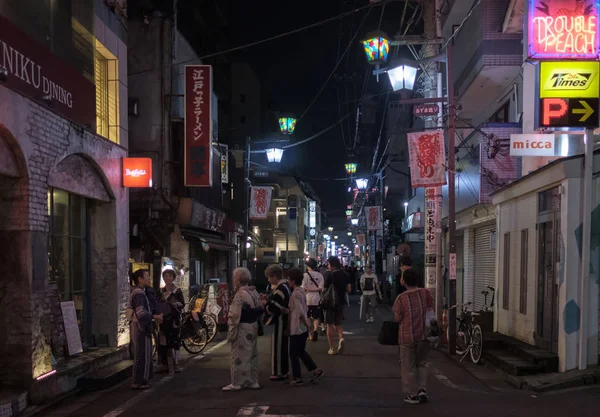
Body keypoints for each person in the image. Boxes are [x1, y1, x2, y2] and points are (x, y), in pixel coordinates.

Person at [393, 269, 433, 404]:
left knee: (408, 366)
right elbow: (430, 308)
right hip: (423, 334)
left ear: (403, 281)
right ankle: (422, 389)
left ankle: (412, 394)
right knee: (422, 363)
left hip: (406, 336)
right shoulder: (425, 293)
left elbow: (397, 318)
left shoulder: (401, 298)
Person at [223, 268, 263, 391]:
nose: (234, 280)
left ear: (239, 280)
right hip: (253, 325)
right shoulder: (254, 292)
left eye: (235, 278)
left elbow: (234, 315)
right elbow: (260, 308)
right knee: (252, 354)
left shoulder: (240, 294)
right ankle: (253, 381)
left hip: (242, 327)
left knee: (239, 356)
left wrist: (231, 329)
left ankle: (237, 382)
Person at [285, 268, 325, 386]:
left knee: (293, 353)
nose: (288, 281)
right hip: (302, 328)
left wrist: (308, 325)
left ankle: (297, 378)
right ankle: (315, 370)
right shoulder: (302, 291)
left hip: (297, 327)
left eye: (288, 279)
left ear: (292, 281)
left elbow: (301, 311)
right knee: (300, 351)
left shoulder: (295, 294)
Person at [129, 269, 163, 390]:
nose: (149, 278)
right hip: (140, 328)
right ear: (140, 279)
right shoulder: (138, 293)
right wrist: (155, 317)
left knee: (144, 353)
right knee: (141, 354)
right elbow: (141, 314)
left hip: (142, 327)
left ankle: (142, 380)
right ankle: (138, 381)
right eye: (147, 276)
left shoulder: (142, 292)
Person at [262, 264, 291, 381]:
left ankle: (279, 372)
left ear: (274, 276)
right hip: (285, 320)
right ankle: (283, 371)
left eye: (269, 277)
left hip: (280, 321)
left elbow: (275, 308)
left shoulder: (280, 289)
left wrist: (265, 304)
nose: (268, 280)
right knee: (283, 347)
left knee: (278, 347)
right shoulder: (285, 286)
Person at [158, 269, 185, 373]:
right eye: (165, 276)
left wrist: (174, 304)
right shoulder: (161, 291)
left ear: (173, 278)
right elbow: (158, 305)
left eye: (169, 276)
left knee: (175, 342)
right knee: (163, 342)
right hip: (163, 321)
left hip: (174, 321)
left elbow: (182, 304)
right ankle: (165, 364)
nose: (167, 278)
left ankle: (176, 364)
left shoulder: (177, 291)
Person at [323, 256, 350, 355]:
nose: (328, 266)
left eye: (329, 264)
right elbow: (349, 289)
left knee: (329, 325)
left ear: (332, 265)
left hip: (330, 303)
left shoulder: (329, 275)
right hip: (340, 302)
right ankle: (341, 338)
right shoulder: (345, 274)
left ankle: (332, 348)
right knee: (338, 324)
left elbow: (325, 290)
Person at [302, 258, 324, 342]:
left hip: (307, 299)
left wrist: (309, 290)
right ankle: (315, 330)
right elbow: (321, 288)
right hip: (316, 299)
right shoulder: (320, 275)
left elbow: (303, 288)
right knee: (316, 317)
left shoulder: (305, 275)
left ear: (308, 266)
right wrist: (315, 289)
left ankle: (310, 334)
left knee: (307, 317)